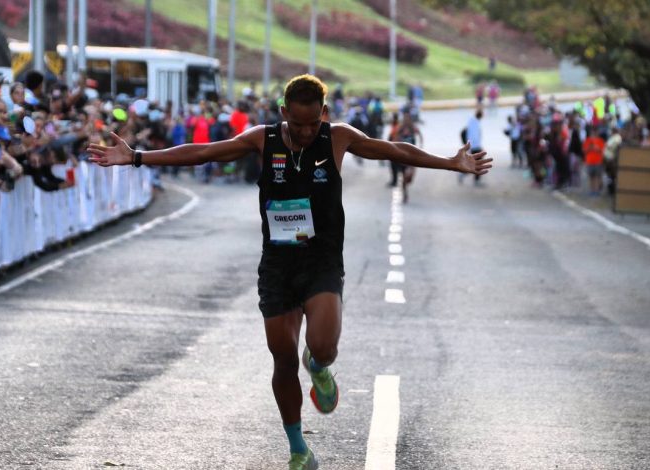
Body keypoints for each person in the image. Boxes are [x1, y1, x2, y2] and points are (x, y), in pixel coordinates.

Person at [87, 74, 491, 470]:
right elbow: (205, 151)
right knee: (281, 359)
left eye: (313, 123)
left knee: (323, 345)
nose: (304, 131)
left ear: (324, 114)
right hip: (278, 263)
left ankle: (318, 367)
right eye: (297, 123)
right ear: (283, 112)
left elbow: (393, 150)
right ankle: (299, 449)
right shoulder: (264, 139)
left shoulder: (337, 137)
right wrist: (137, 158)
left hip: (322, 261)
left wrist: (449, 163)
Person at [459, 109, 485, 186]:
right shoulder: (475, 123)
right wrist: (479, 146)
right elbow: (475, 137)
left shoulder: (471, 121)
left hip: (473, 146)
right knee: (478, 164)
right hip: (475, 147)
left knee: (474, 164)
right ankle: (475, 180)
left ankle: (464, 174)